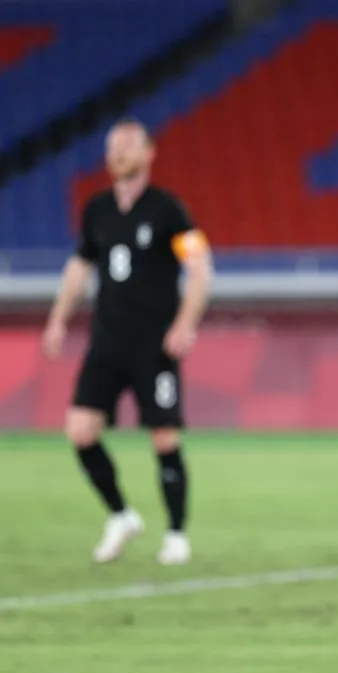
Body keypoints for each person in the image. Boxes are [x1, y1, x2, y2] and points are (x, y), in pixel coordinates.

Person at [42, 117, 213, 566]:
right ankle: (120, 515)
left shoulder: (167, 210)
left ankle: (176, 534)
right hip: (107, 341)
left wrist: (185, 323)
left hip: (154, 344)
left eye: (126, 146)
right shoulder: (96, 209)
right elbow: (80, 268)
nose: (116, 153)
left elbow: (199, 268)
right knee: (80, 430)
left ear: (147, 152)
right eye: (111, 146)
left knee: (163, 437)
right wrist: (59, 319)